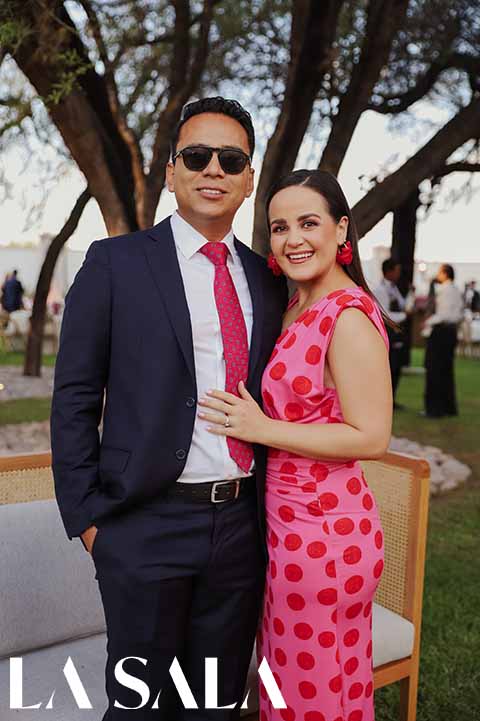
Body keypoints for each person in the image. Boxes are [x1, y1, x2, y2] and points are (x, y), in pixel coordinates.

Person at [51, 96, 288, 720]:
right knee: (139, 708)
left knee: (214, 704)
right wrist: (91, 522)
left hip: (241, 528)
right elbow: (74, 398)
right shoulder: (114, 264)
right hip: (143, 525)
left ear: (249, 180)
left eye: (230, 160)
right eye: (197, 155)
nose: (213, 169)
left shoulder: (267, 279)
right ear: (171, 171)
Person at [199, 170, 392, 721]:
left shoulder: (346, 315)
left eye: (309, 223)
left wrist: (261, 429)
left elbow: (372, 435)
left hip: (324, 534)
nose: (293, 239)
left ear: (341, 229)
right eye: (280, 227)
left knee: (315, 695)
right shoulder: (297, 305)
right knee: (296, 687)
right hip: (290, 527)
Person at [423, 263, 463, 417]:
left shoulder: (446, 291)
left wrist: (428, 322)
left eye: (440, 272)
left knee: (434, 369)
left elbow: (443, 315)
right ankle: (448, 407)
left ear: (445, 274)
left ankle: (434, 409)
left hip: (441, 332)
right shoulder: (456, 290)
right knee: (446, 370)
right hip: (450, 333)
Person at [374, 258, 414, 409]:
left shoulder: (393, 288)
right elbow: (385, 314)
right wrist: (404, 315)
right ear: (389, 271)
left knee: (396, 367)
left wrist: (410, 294)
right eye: (396, 271)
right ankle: (384, 401)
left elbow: (402, 304)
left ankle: (392, 399)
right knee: (389, 366)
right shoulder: (380, 289)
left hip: (396, 332)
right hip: (388, 331)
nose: (398, 274)